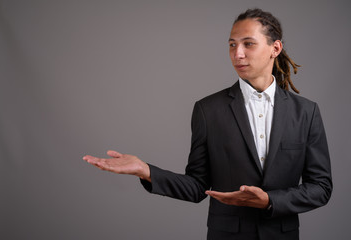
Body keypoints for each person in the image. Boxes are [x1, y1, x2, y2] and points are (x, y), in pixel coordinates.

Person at [83, 8, 332, 240]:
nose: (238, 54)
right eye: (232, 45)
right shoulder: (208, 110)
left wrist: (269, 200)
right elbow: (197, 186)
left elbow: (321, 187)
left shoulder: (306, 112)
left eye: (248, 44)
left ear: (275, 48)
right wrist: (145, 171)